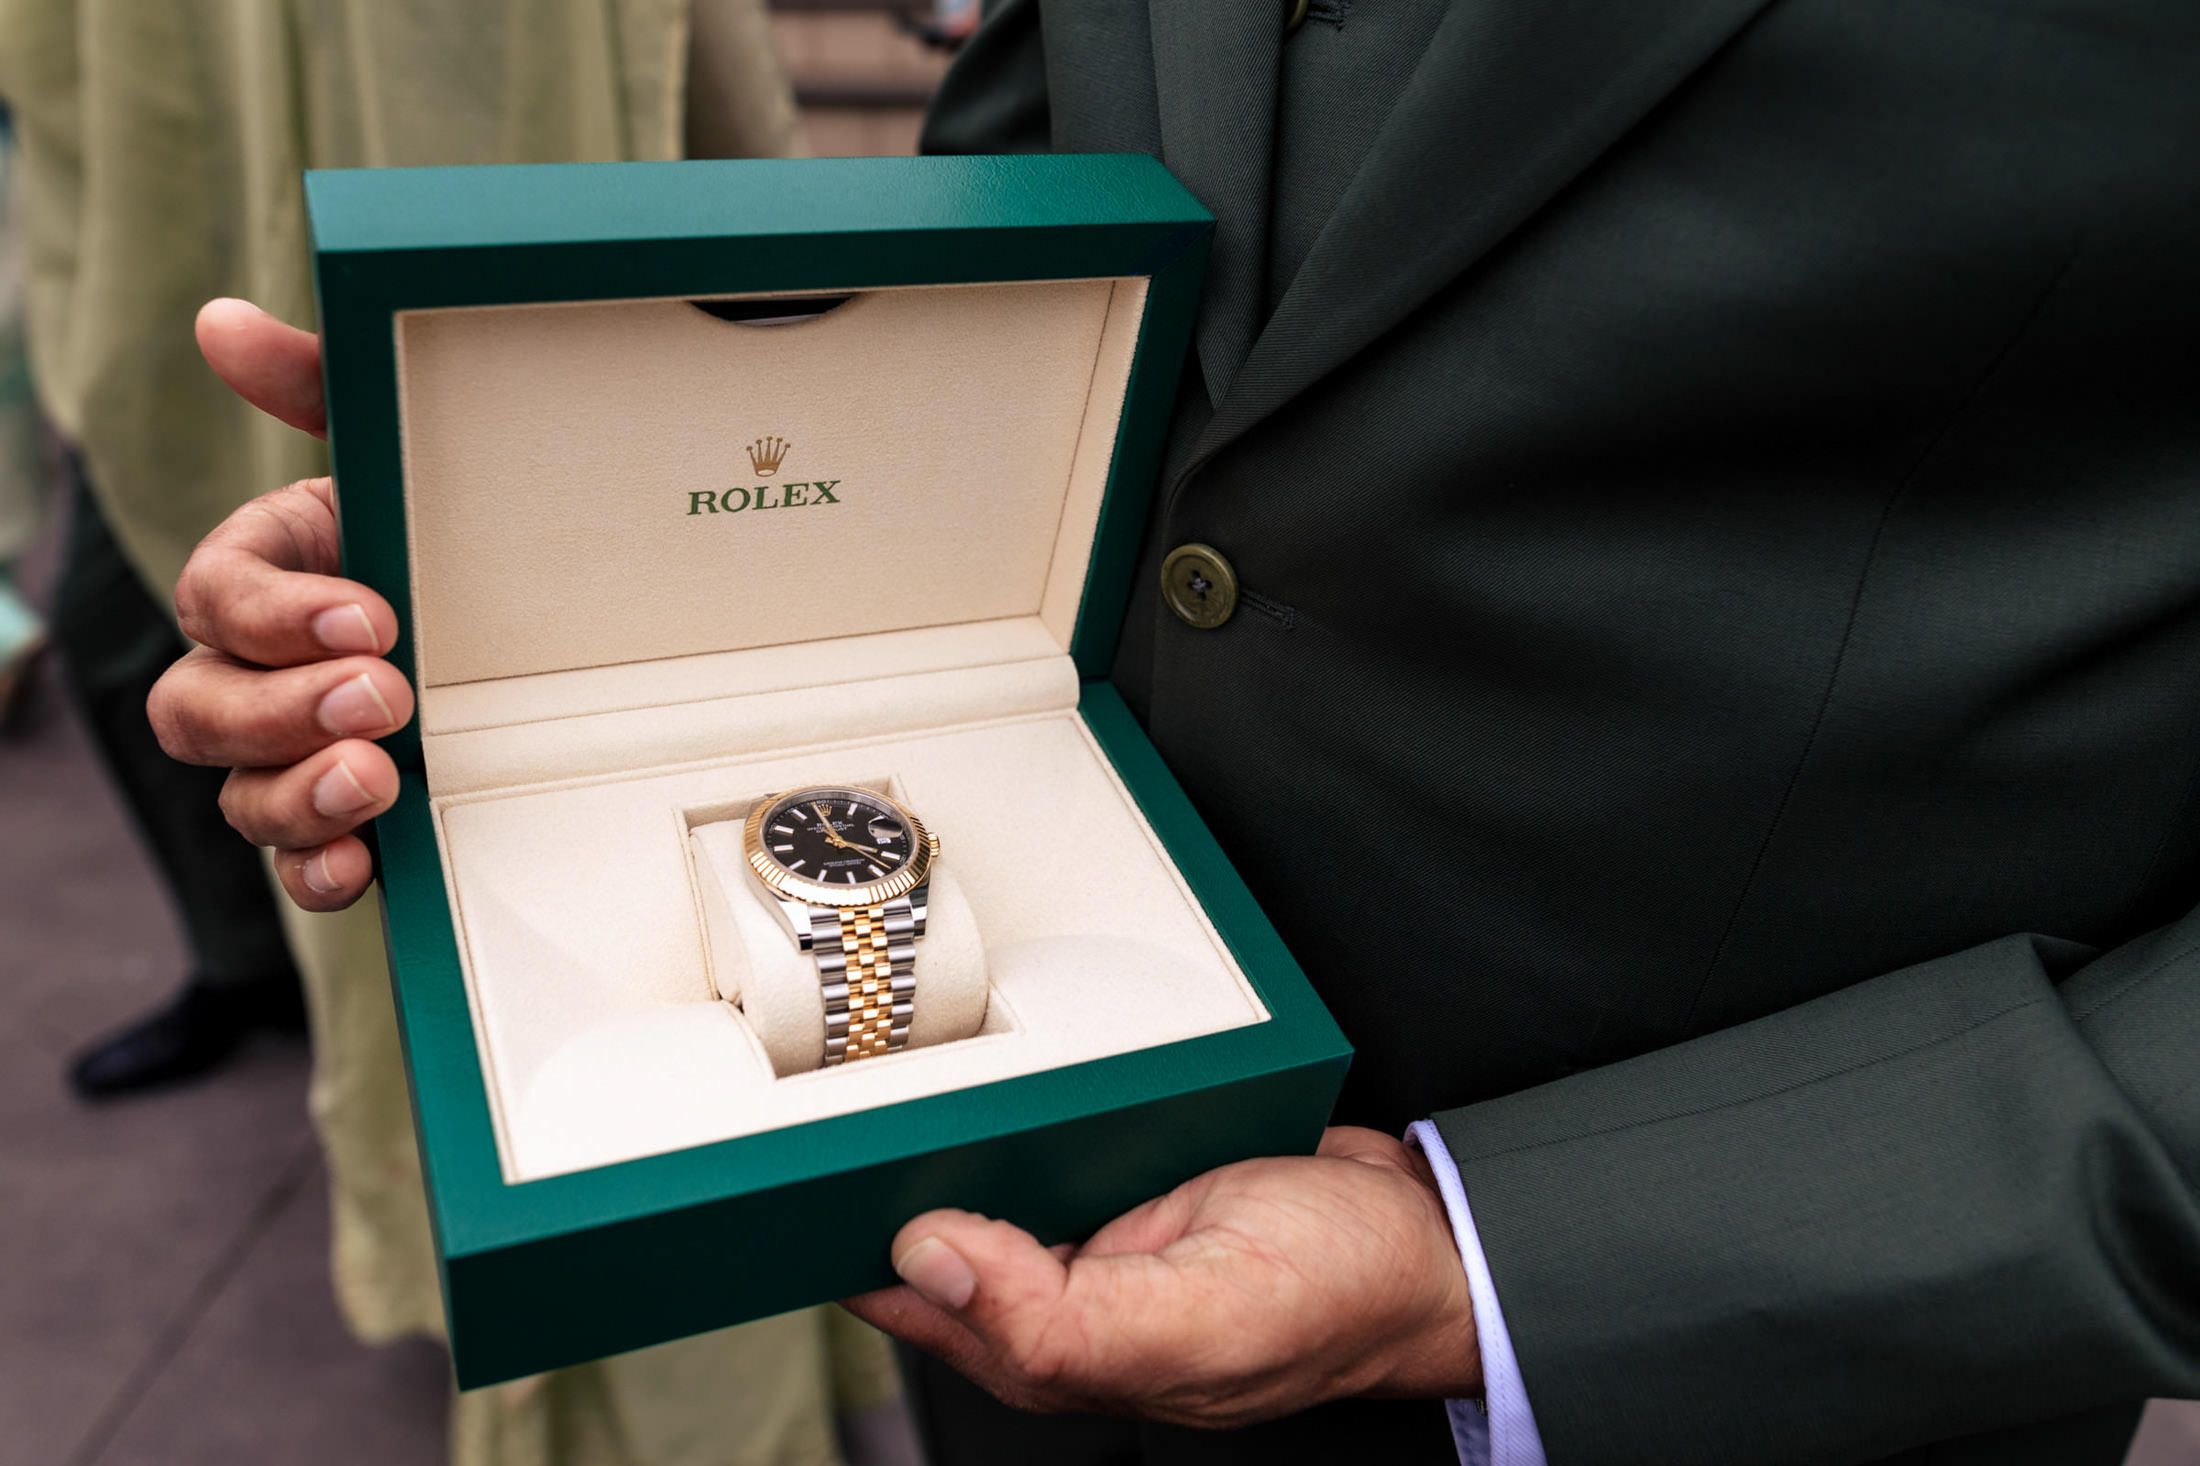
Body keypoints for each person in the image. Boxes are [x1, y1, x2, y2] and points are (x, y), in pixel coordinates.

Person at [148, 1, 2200, 1464]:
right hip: (1003, 1204)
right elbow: (1041, 211)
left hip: (1752, 1337)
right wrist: (537, 552)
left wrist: (1494, 1271)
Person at [3, 3, 908, 1463]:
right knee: (312, 804)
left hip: (572, 341)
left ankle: (663, 1327)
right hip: (196, 304)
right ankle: (459, 1219)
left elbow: (724, 104)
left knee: (556, 817)